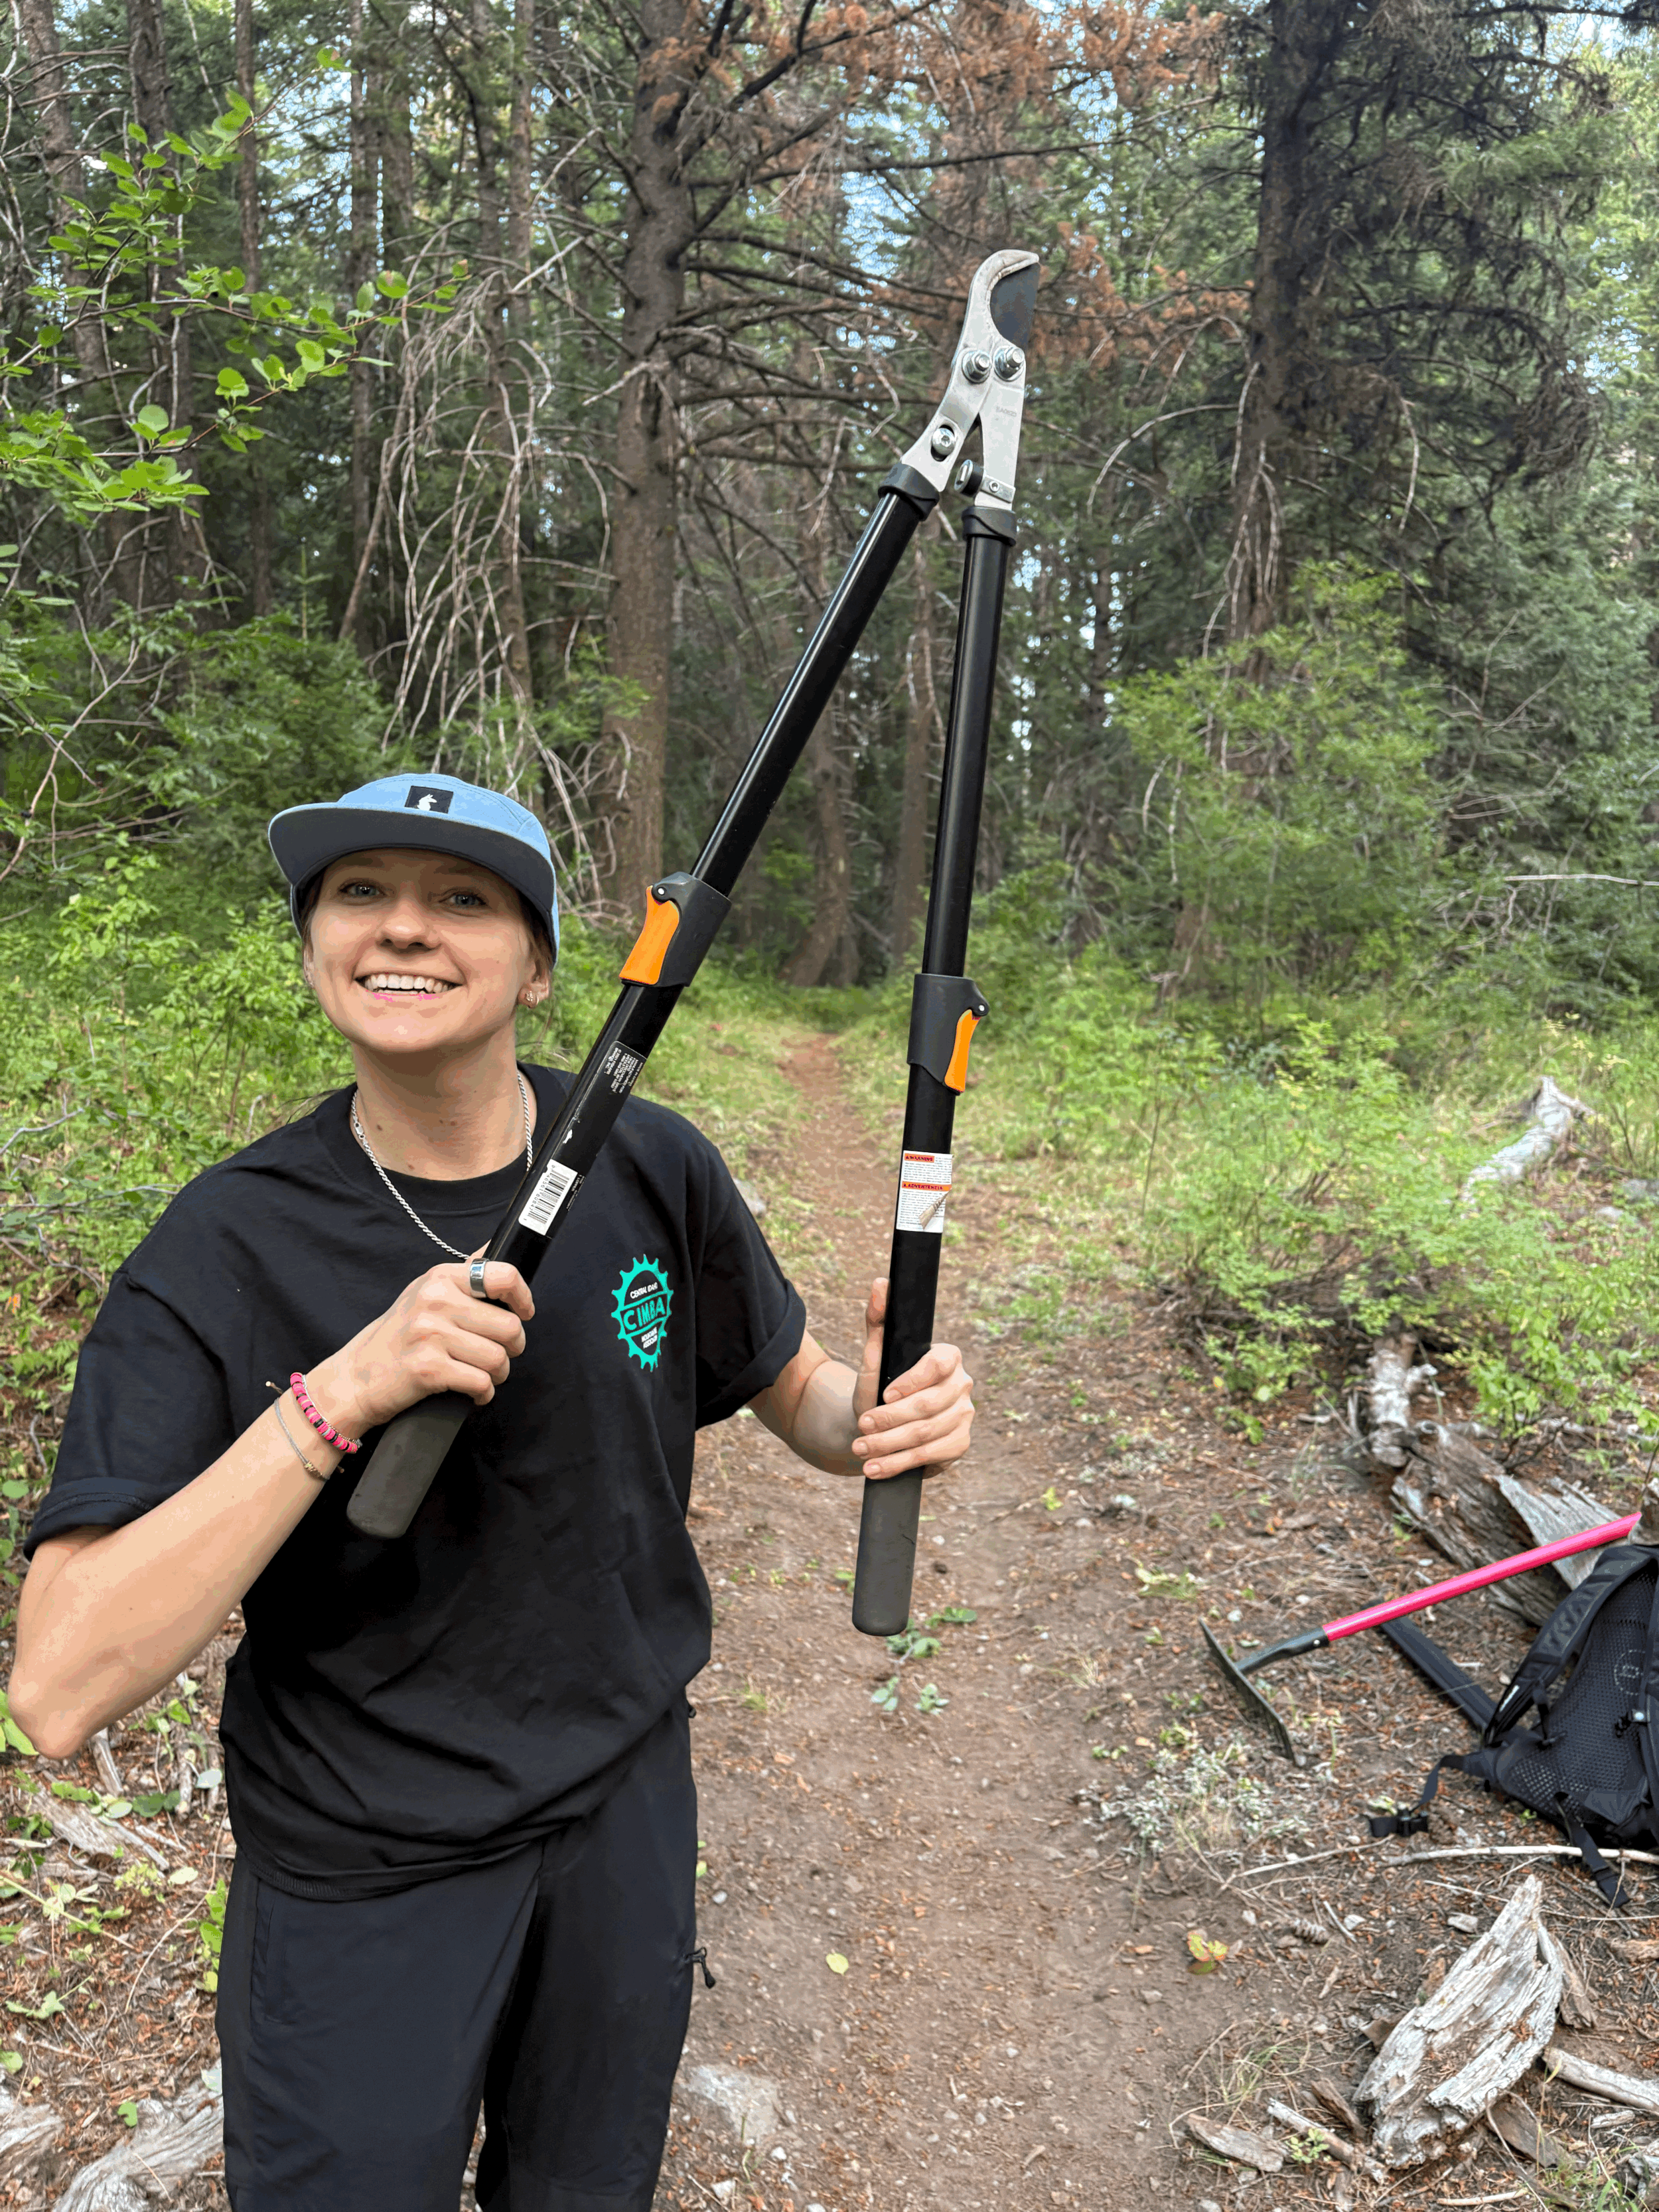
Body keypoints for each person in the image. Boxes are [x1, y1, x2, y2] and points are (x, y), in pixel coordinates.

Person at [7, 773, 975, 2212]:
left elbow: (798, 1390)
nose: (405, 929)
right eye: (359, 893)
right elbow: (60, 1683)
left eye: (462, 898)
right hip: (362, 1862)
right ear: (311, 944)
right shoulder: (222, 1246)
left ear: (535, 963)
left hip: (620, 1819)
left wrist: (880, 1419)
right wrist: (342, 1392)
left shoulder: (653, 1161)